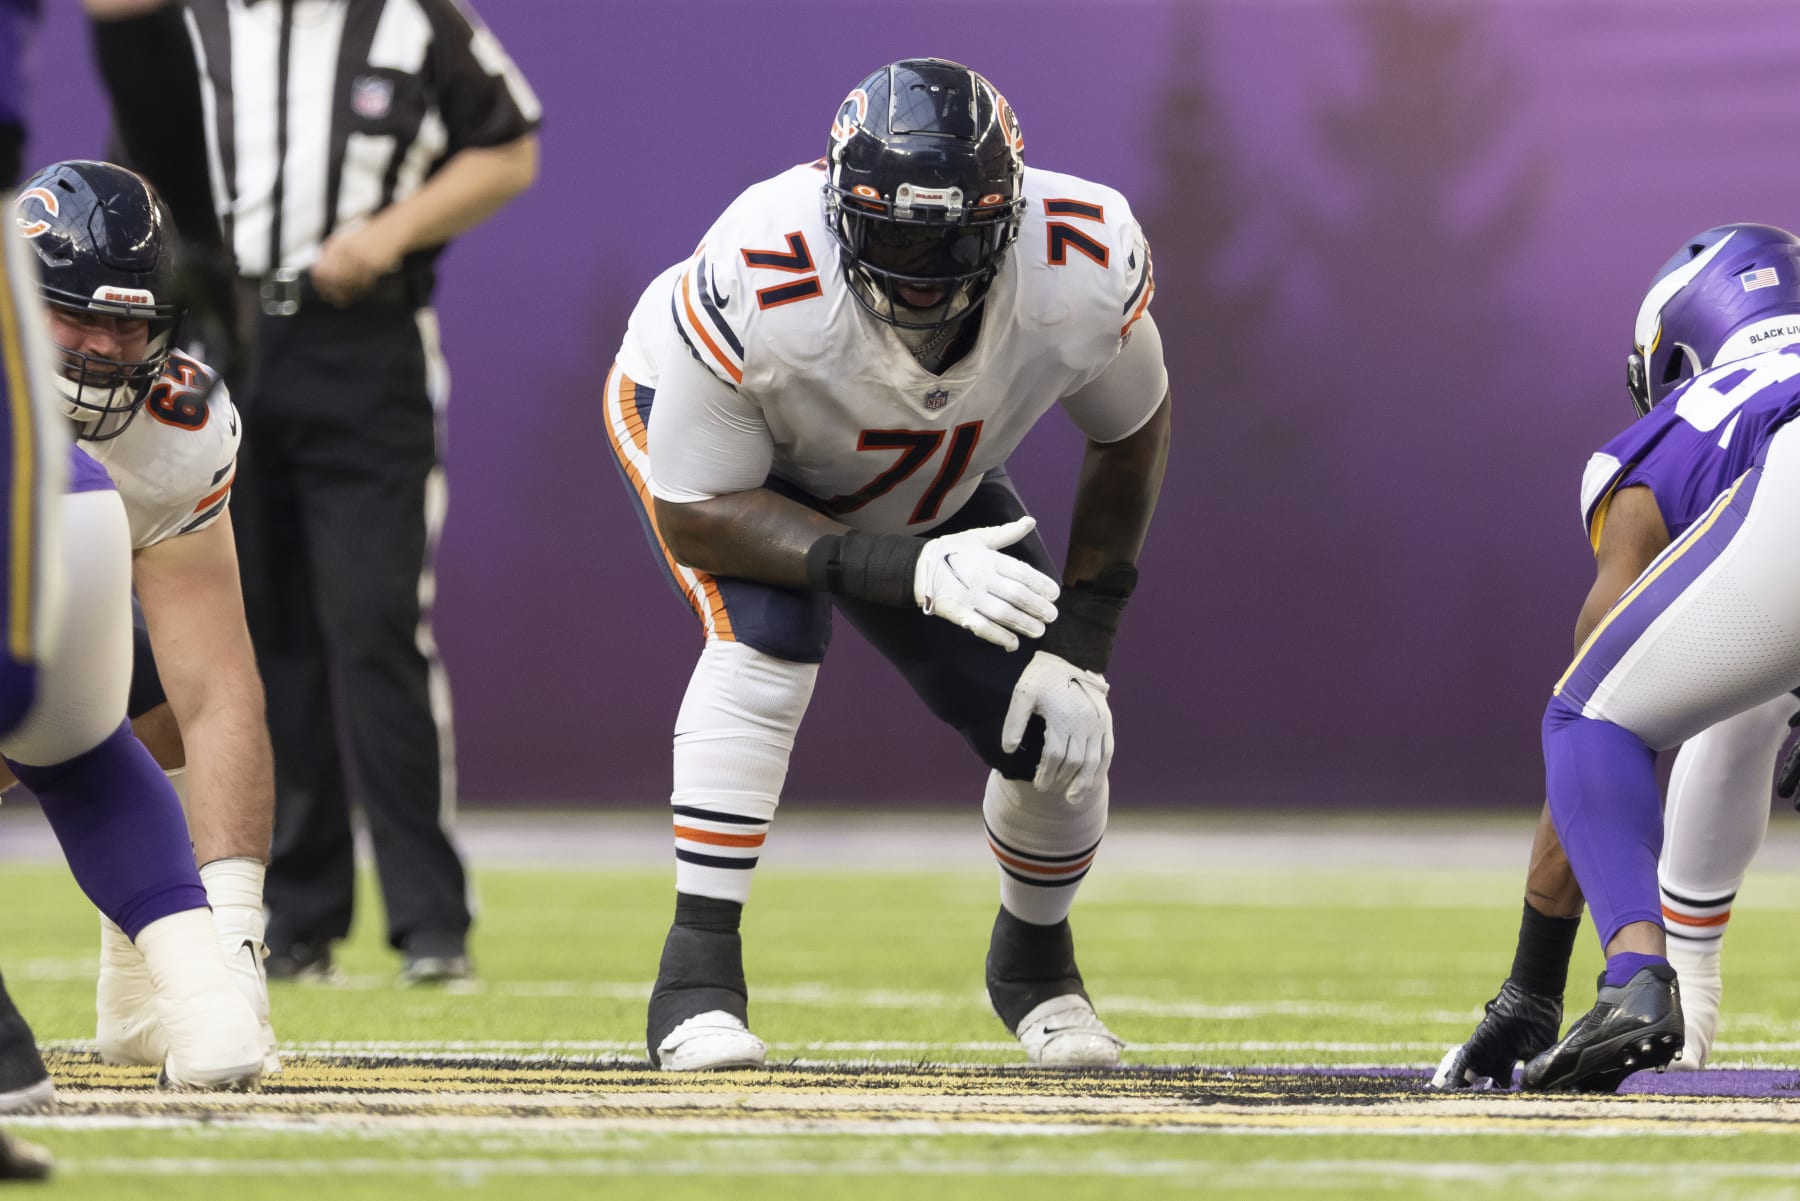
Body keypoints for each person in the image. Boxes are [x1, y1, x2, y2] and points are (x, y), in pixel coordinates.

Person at [605, 58, 1171, 1070]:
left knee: (1062, 724)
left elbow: (1130, 428)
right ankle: (694, 981)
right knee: (769, 641)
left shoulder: (1079, 259)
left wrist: (1085, 638)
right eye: (896, 234)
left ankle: (1037, 971)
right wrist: (907, 572)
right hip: (729, 460)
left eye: (951, 238)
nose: (922, 268)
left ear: (1010, 215)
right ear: (836, 206)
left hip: (918, 469)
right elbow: (697, 514)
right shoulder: (757, 270)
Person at [115, 0, 540, 983]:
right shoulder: (189, 24)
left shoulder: (410, 18)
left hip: (361, 341)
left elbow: (509, 145)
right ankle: (298, 913)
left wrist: (389, 233)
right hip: (216, 336)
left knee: (376, 622)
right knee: (255, 632)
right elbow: (138, 174)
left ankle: (431, 917)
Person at [1432, 226, 1800, 1091]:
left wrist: (1530, 985)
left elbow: (1602, 706)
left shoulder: (1677, 426)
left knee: (1590, 716)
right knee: (1752, 699)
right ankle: (1694, 1007)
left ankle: (1638, 977)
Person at [0, 161, 268, 1101]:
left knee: (136, 690)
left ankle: (172, 982)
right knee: (61, 726)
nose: (108, 349)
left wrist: (236, 931)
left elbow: (215, 684)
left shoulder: (177, 427)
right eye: (79, 315)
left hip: (38, 602)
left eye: (130, 321)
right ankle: (195, 996)